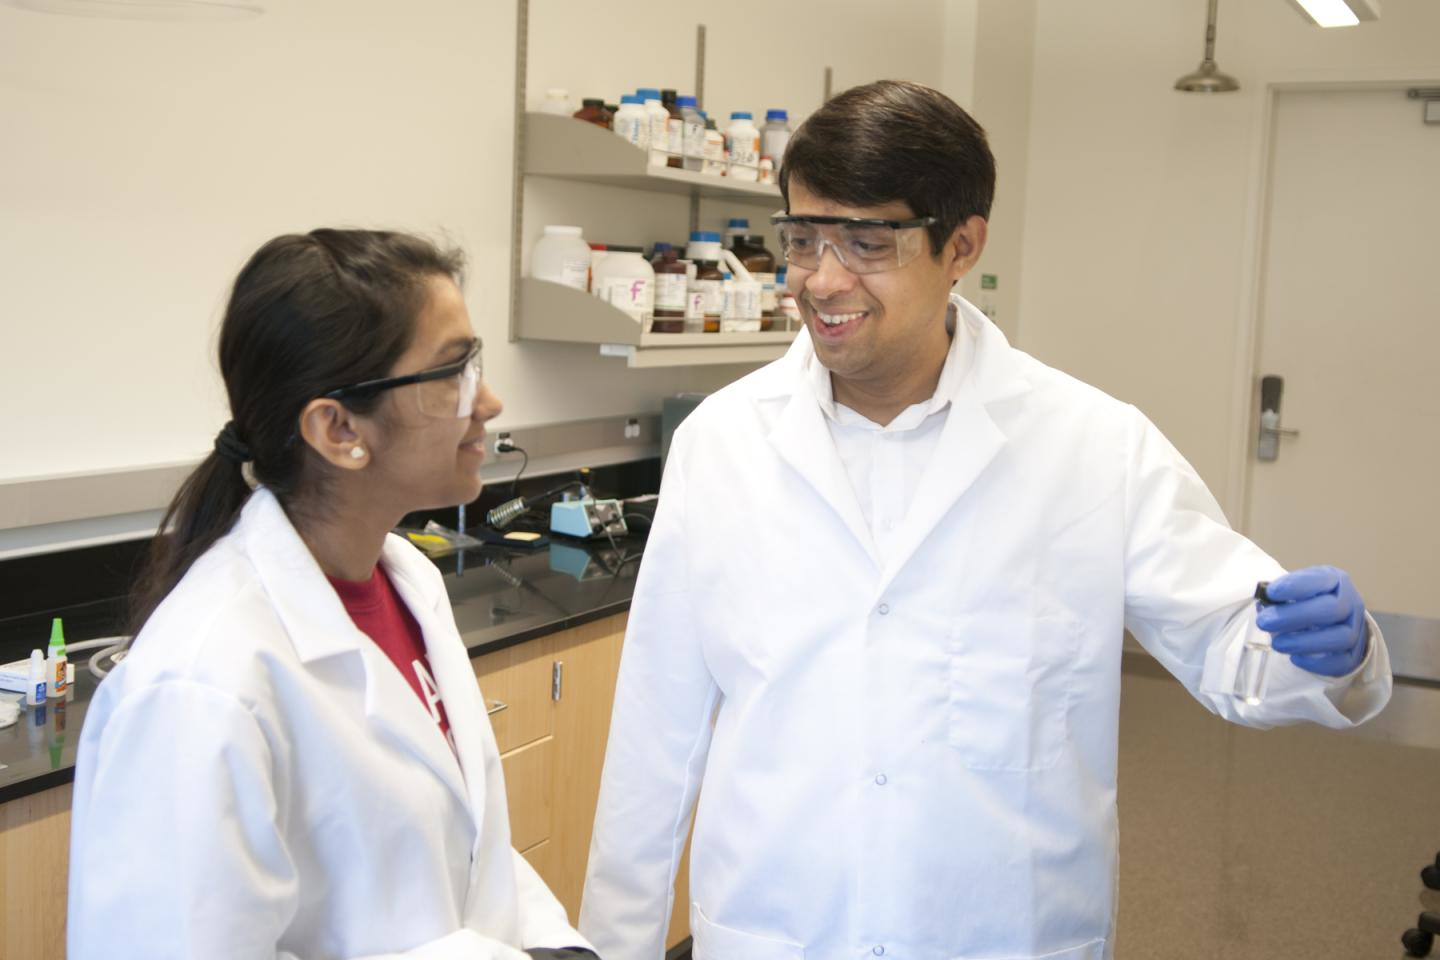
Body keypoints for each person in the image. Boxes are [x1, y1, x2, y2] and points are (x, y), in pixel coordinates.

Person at [577, 81, 1392, 960]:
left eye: (867, 242)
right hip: (779, 929)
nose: (823, 279)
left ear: (961, 245)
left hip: (1002, 931)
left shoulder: (1092, 445)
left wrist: (1333, 654)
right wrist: (614, 945)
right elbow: (655, 736)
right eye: (803, 238)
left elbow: (1232, 639)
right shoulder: (722, 444)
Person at [68, 229, 598, 960]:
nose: (489, 401)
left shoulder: (407, 582)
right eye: (453, 373)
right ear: (338, 428)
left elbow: (467, 850)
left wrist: (556, 947)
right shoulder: (203, 684)